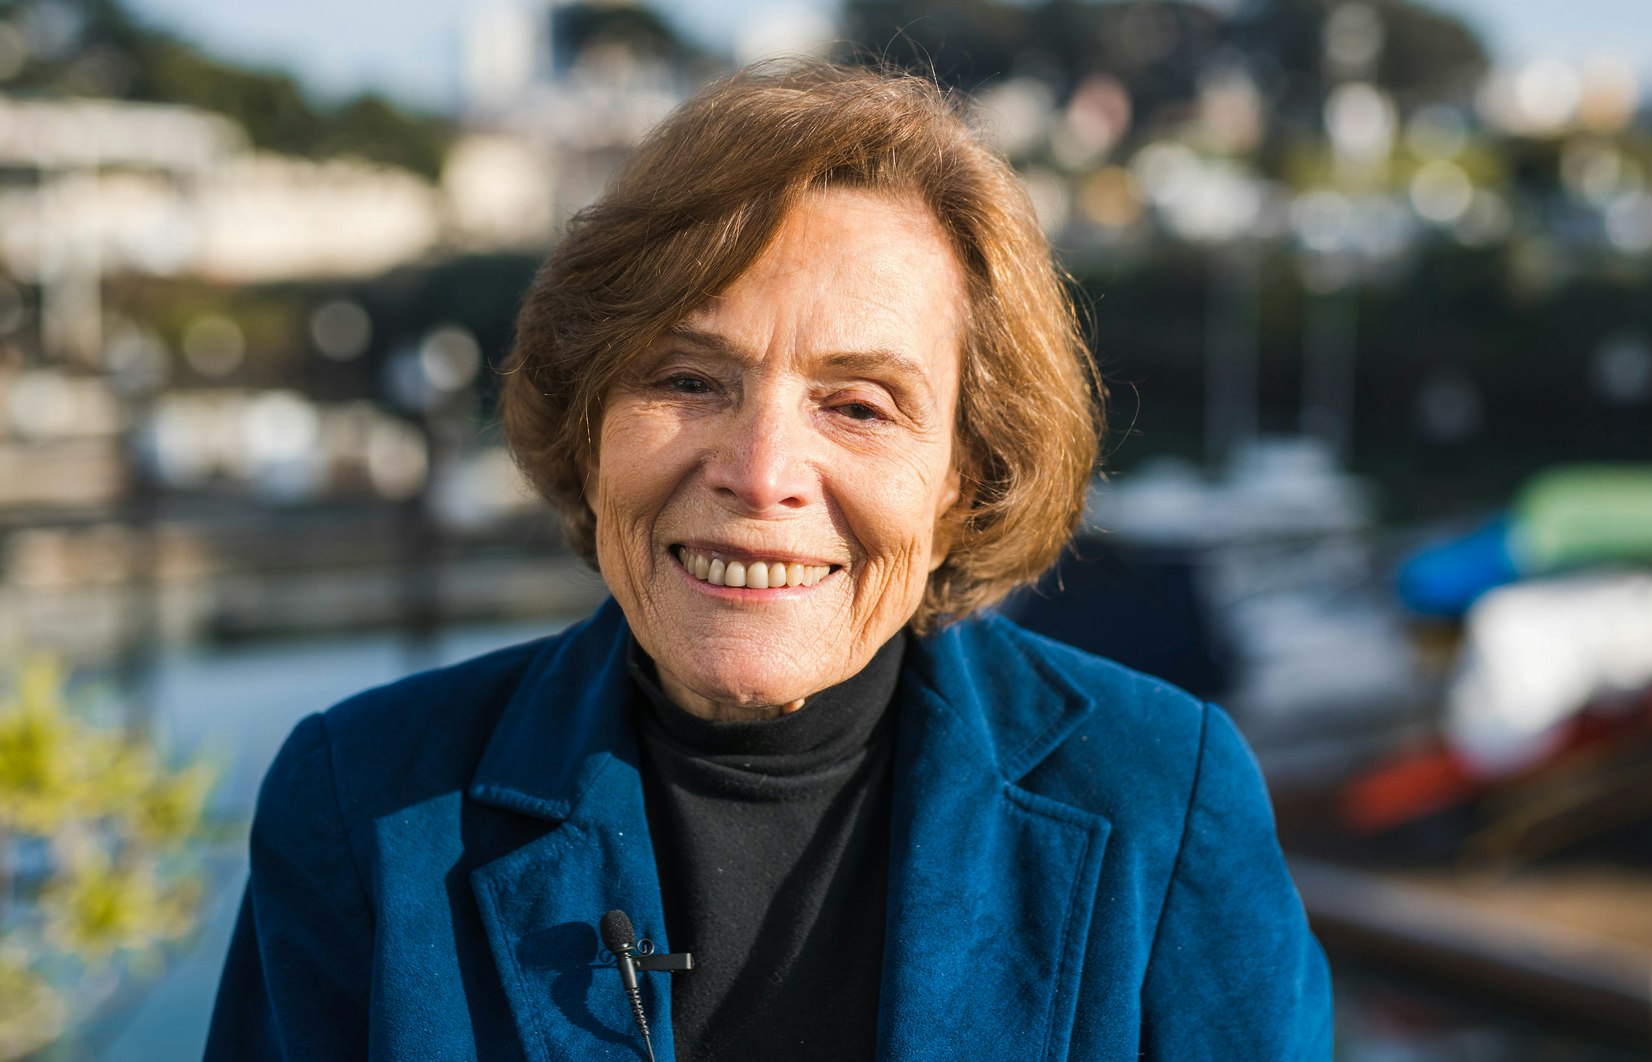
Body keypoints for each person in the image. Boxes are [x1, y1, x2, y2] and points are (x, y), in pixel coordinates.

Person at [206, 60, 1331, 1061]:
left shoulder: (1158, 796)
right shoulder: (364, 802)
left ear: (962, 479)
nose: (762, 471)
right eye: (688, 380)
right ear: (590, 425)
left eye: (859, 404)